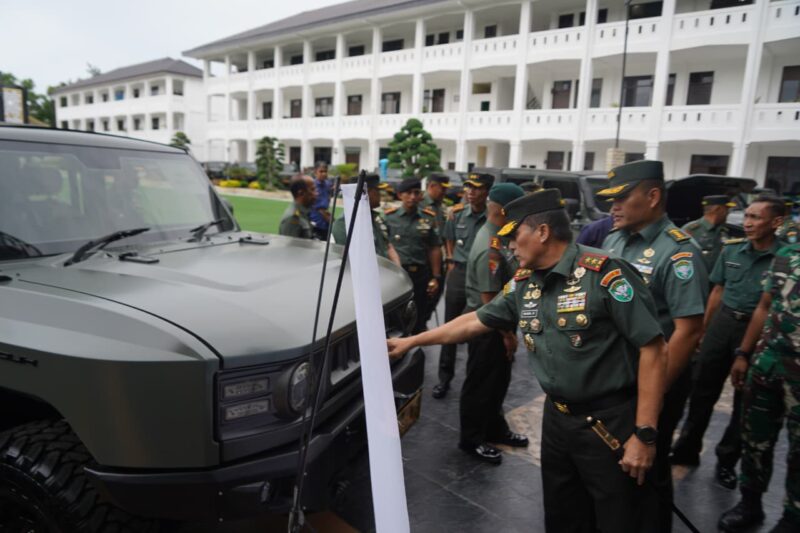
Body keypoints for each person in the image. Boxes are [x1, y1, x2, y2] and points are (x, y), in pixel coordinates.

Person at [388, 188, 667, 532]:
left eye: (515, 235)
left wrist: (645, 434)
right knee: (563, 511)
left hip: (609, 422)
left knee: (618, 515)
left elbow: (653, 349)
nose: (508, 245)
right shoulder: (524, 283)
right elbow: (475, 320)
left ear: (543, 232)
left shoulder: (605, 275)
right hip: (558, 420)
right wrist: (412, 341)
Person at [598, 159, 709, 533]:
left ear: (653, 196)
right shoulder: (615, 238)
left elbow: (689, 331)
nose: (612, 207)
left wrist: (652, 393)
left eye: (621, 198)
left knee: (648, 472)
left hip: (652, 382)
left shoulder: (678, 252)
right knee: (616, 470)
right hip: (614, 381)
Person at [671, 196, 783, 489]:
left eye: (756, 217)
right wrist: (703, 332)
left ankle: (726, 460)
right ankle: (686, 449)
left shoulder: (784, 258)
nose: (747, 223)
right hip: (722, 323)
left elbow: (769, 306)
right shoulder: (732, 249)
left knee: (743, 401)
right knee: (701, 391)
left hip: (757, 331)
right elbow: (717, 291)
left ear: (776, 222)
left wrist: (745, 351)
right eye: (746, 216)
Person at [718, 243, 800, 533]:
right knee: (754, 438)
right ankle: (750, 503)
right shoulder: (787, 255)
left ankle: (793, 516)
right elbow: (765, 306)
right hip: (767, 366)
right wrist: (743, 353)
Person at [459, 183, 528, 464]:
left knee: (497, 381)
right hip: (488, 326)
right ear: (502, 210)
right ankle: (472, 439)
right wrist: (506, 335)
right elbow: (489, 299)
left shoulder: (497, 238)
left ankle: (495, 429)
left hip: (497, 323)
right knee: (481, 383)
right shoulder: (490, 247)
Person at [433, 172, 493, 399]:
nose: (471, 192)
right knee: (450, 325)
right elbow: (448, 238)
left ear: (486, 191)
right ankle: (444, 379)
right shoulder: (456, 213)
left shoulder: (493, 217)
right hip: (459, 272)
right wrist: (450, 260)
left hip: (482, 277)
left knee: (478, 328)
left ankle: (473, 379)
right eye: (468, 187)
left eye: (476, 188)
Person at [383, 179, 442, 333]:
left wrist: (436, 277)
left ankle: (415, 347)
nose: (412, 197)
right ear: (399, 195)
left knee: (419, 313)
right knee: (394, 315)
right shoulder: (389, 217)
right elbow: (383, 246)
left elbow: (434, 248)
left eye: (416, 193)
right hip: (397, 275)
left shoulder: (428, 218)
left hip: (420, 274)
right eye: (408, 193)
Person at [331, 173, 401, 266]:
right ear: (365, 193)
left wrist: (398, 269)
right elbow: (349, 261)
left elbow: (388, 246)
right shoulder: (344, 224)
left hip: (385, 274)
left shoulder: (376, 219)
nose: (380, 194)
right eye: (377, 190)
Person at [682, 194, 736, 272]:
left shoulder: (724, 230)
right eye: (727, 209)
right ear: (718, 209)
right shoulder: (690, 230)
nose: (728, 213)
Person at [279, 174, 317, 239]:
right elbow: (290, 247)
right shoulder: (293, 218)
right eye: (312, 190)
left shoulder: (304, 212)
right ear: (301, 193)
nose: (316, 193)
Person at [309, 161, 331, 239]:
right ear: (315, 172)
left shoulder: (327, 184)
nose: (324, 174)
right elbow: (320, 208)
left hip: (325, 222)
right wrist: (330, 220)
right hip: (316, 222)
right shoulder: (312, 186)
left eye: (325, 171)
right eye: (321, 171)